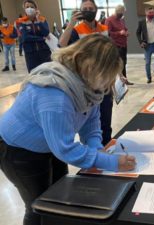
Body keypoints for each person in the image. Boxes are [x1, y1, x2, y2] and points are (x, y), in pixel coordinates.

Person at [0, 33, 136, 225]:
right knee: (38, 206)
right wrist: (111, 162)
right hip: (18, 151)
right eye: (105, 76)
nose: (107, 85)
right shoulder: (54, 94)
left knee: (60, 197)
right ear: (84, 62)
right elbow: (65, 149)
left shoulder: (89, 85)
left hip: (49, 144)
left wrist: (97, 148)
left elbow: (91, 121)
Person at [59, 0, 113, 146]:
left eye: (91, 8)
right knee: (91, 123)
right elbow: (61, 45)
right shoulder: (77, 30)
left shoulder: (104, 28)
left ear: (96, 9)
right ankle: (94, 152)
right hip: (87, 82)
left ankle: (107, 147)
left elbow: (110, 53)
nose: (88, 10)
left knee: (106, 118)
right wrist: (71, 24)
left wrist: (117, 76)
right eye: (85, 9)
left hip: (104, 79)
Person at [18, 0, 51, 72]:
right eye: (27, 7)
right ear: (24, 9)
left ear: (36, 9)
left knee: (48, 73)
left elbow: (46, 33)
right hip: (31, 53)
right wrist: (41, 38)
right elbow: (25, 38)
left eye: (32, 7)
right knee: (34, 75)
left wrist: (38, 19)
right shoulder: (21, 21)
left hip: (45, 51)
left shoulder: (42, 19)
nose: (29, 8)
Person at [105, 5, 134, 85]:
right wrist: (119, 33)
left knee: (123, 63)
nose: (122, 14)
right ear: (117, 11)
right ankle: (116, 82)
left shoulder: (121, 20)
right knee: (117, 64)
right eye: (121, 13)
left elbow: (124, 28)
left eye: (123, 13)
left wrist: (126, 32)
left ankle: (124, 80)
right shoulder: (109, 20)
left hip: (123, 44)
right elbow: (108, 33)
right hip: (116, 45)